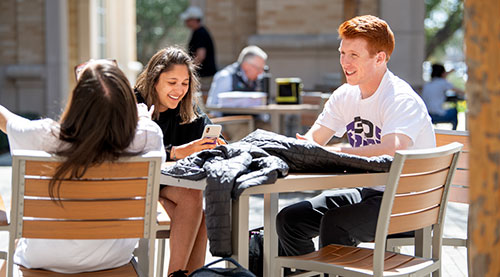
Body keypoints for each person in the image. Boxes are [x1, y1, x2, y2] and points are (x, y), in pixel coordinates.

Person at [275, 15, 436, 259]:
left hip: (411, 203)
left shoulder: (400, 98)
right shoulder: (345, 95)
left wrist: (335, 153)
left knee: (335, 224)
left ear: (380, 58)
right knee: (290, 219)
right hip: (369, 193)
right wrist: (290, 149)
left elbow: (392, 150)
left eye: (354, 55)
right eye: (342, 53)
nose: (345, 62)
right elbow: (314, 140)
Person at [0, 60, 165, 273]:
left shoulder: (41, 135)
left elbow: (5, 120)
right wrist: (140, 116)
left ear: (77, 101)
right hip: (112, 263)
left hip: (43, 262)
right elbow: (142, 124)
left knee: (18, 240)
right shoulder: (148, 136)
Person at [134, 46, 224, 275]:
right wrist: (175, 152)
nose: (179, 90)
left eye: (184, 84)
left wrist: (217, 143)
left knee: (200, 214)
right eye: (172, 82)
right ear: (155, 79)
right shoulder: (135, 104)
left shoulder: (185, 108)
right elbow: (130, 148)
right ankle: (178, 274)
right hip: (136, 182)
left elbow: (212, 132)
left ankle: (184, 274)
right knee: (193, 200)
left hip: (163, 183)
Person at [181, 6, 217, 91]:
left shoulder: (200, 33)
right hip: (204, 75)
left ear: (194, 20)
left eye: (188, 20)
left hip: (204, 76)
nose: (186, 22)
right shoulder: (199, 32)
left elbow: (201, 55)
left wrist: (189, 69)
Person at [421, 63, 465, 130]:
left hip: (427, 116)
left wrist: (449, 72)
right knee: (454, 111)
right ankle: (454, 133)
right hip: (437, 115)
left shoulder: (427, 85)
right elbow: (460, 91)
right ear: (442, 73)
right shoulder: (442, 82)